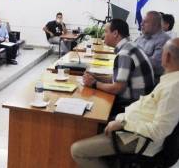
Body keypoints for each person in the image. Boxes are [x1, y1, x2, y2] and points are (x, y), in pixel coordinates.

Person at [72, 38, 179, 168]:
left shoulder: (173, 88)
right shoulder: (170, 80)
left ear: (167, 57)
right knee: (90, 126)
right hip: (130, 127)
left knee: (77, 150)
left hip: (138, 139)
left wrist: (123, 123)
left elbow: (159, 131)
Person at [83, 19, 155, 115]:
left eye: (106, 31)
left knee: (94, 109)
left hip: (132, 106)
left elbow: (118, 88)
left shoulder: (125, 53)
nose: (103, 35)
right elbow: (117, 80)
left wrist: (94, 84)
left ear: (115, 33)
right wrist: (95, 76)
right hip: (140, 103)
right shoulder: (131, 46)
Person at [135, 11, 170, 81]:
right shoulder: (140, 38)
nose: (141, 24)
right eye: (142, 21)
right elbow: (130, 52)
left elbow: (155, 65)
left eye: (145, 22)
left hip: (153, 80)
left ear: (156, 24)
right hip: (137, 76)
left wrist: (132, 60)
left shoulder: (164, 40)